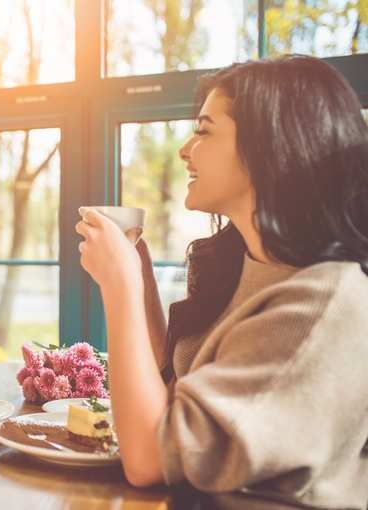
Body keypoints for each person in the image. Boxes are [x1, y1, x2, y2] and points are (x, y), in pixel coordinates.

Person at [76, 55, 368, 509]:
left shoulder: (323, 305)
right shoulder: (247, 265)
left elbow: (151, 458)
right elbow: (168, 383)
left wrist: (121, 289)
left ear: (272, 149)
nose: (184, 149)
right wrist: (137, 276)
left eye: (205, 130)